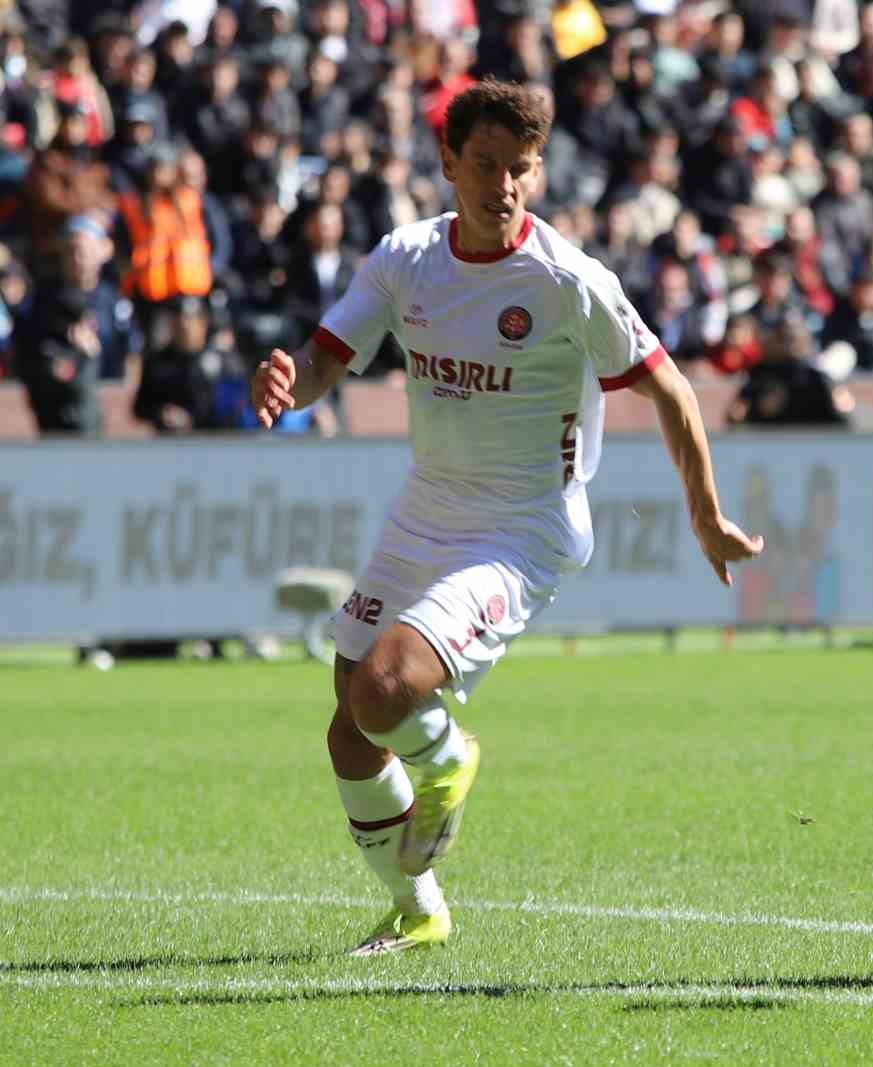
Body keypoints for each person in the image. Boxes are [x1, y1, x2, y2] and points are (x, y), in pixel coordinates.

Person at [249, 81, 764, 956]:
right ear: (449, 164)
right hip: (428, 507)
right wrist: (290, 381)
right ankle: (419, 907)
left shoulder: (569, 280)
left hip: (523, 527)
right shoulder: (405, 258)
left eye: (521, 169)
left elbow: (671, 390)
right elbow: (330, 353)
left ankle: (448, 757)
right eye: (485, 165)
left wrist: (706, 515)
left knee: (385, 688)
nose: (504, 185)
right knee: (351, 723)